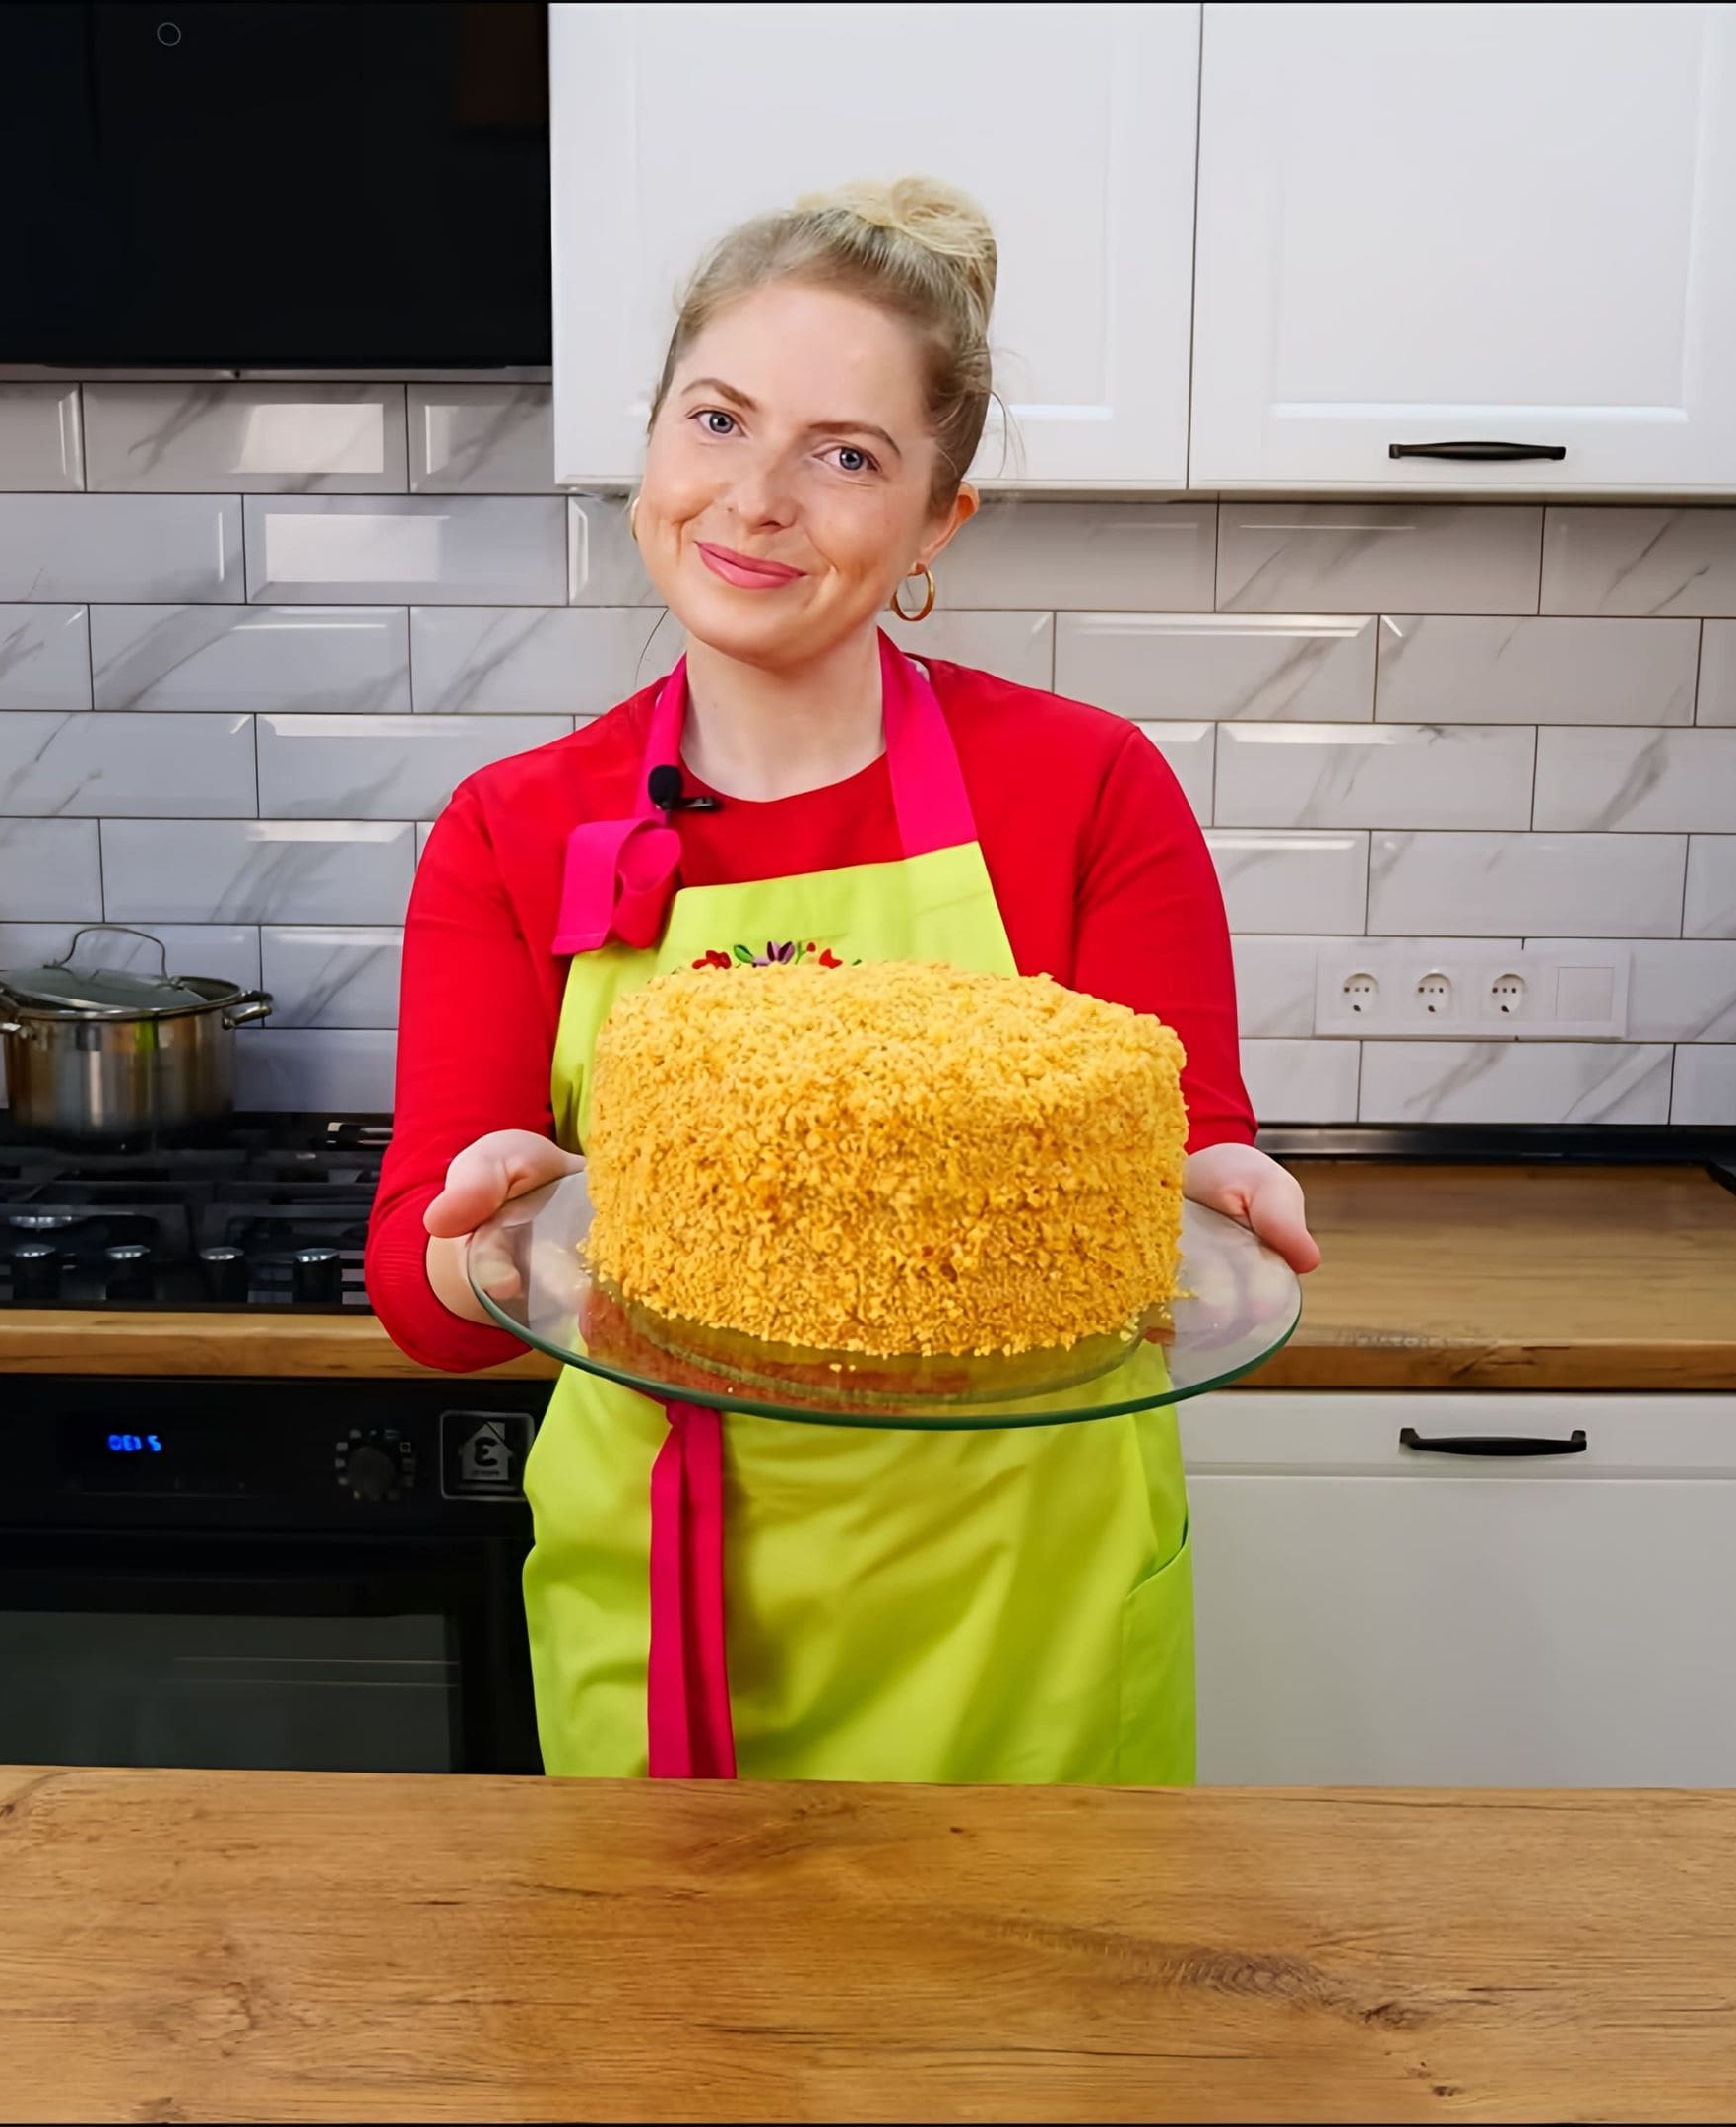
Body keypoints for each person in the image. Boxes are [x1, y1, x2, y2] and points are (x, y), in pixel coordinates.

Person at [365, 177, 1320, 1783]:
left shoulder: (1085, 789)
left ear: (940, 520)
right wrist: (487, 1241)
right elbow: (419, 1291)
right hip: (672, 1599)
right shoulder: (513, 829)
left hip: (1028, 1596)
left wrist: (1212, 1192)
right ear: (652, 441)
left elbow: (1179, 1155)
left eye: (848, 455)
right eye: (718, 419)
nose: (755, 500)